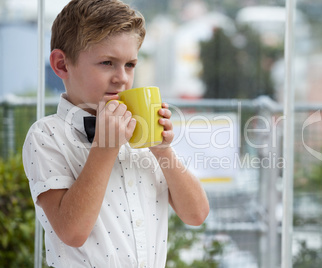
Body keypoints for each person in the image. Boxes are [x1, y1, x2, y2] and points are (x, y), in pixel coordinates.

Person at [22, 0, 209, 267]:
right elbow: (72, 233)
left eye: (130, 64)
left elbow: (197, 214)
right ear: (62, 64)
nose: (121, 77)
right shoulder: (45, 136)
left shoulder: (143, 137)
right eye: (107, 62)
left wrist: (162, 149)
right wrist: (105, 147)